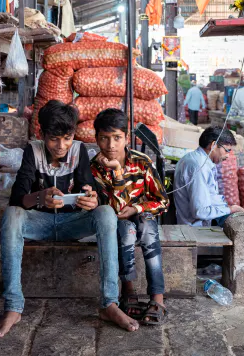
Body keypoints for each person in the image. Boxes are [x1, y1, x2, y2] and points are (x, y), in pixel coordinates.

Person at [0, 100, 140, 338]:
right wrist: (40, 197)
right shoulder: (33, 150)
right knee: (11, 215)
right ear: (42, 134)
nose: (61, 146)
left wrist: (93, 198)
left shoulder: (79, 150)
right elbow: (17, 199)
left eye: (67, 138)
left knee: (105, 213)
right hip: (38, 223)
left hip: (72, 223)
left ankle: (109, 304)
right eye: (54, 139)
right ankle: (13, 306)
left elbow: (89, 187)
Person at [91, 108, 169, 326]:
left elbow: (163, 201)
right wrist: (116, 171)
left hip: (143, 217)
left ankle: (157, 298)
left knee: (147, 228)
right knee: (125, 230)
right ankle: (129, 291)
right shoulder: (96, 168)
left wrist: (138, 208)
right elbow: (115, 209)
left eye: (117, 138)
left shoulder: (142, 162)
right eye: (104, 138)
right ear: (96, 139)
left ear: (126, 138)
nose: (111, 145)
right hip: (118, 222)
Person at [173, 126, 244, 227]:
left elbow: (209, 198)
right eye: (227, 150)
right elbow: (200, 211)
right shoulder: (199, 167)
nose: (228, 156)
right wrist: (232, 209)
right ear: (213, 145)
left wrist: (229, 207)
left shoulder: (196, 159)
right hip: (195, 230)